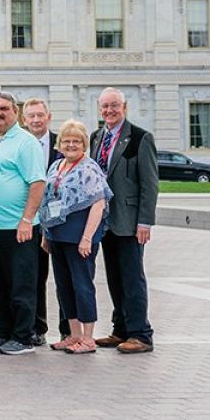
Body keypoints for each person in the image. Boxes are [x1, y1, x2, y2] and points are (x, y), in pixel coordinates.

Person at [0, 92, 47, 356]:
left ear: (15, 112)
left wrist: (27, 219)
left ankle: (24, 336)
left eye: (4, 108)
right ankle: (3, 332)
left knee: (21, 284)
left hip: (17, 228)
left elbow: (38, 183)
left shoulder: (26, 142)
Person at [91, 87, 158, 354]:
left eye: (114, 106)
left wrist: (145, 222)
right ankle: (120, 329)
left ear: (124, 107)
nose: (109, 111)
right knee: (114, 277)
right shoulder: (97, 137)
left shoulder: (140, 138)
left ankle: (141, 334)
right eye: (105, 106)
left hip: (129, 221)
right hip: (105, 221)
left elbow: (150, 184)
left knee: (132, 278)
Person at [41, 119, 111, 355]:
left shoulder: (89, 168)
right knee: (63, 286)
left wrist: (87, 237)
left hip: (79, 237)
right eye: (66, 141)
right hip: (58, 236)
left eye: (76, 141)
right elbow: (48, 201)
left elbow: (98, 203)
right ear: (60, 143)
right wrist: (45, 233)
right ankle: (73, 334)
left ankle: (88, 338)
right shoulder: (56, 166)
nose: (71, 145)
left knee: (82, 286)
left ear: (84, 144)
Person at [23, 97, 68, 343]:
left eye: (40, 115)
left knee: (63, 276)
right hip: (31, 220)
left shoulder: (63, 144)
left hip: (59, 221)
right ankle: (37, 329)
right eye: (31, 116)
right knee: (34, 276)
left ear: (48, 117)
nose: (36, 120)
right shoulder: (19, 143)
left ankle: (67, 329)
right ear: (24, 119)